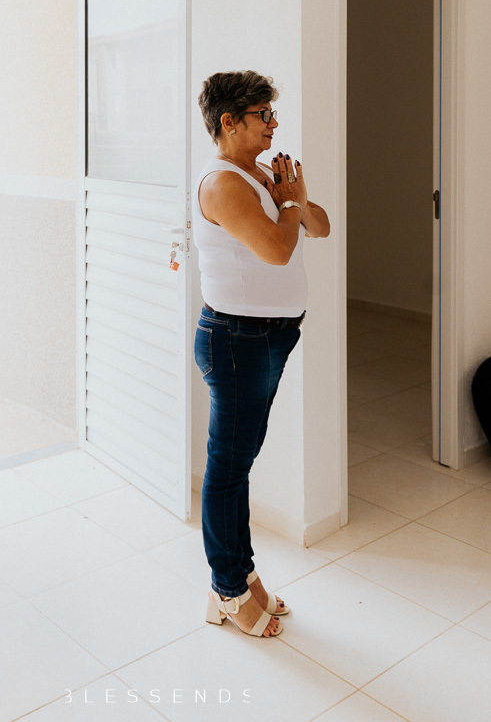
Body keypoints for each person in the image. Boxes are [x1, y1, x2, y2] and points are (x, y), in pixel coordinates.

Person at [193, 70, 330, 638]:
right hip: (236, 341)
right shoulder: (223, 184)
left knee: (240, 461)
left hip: (268, 336)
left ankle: (242, 575)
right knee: (228, 467)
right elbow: (278, 249)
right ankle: (226, 591)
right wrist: (290, 204)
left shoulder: (262, 175)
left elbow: (319, 227)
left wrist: (296, 198)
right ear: (230, 121)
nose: (275, 123)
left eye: (273, 113)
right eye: (263, 114)